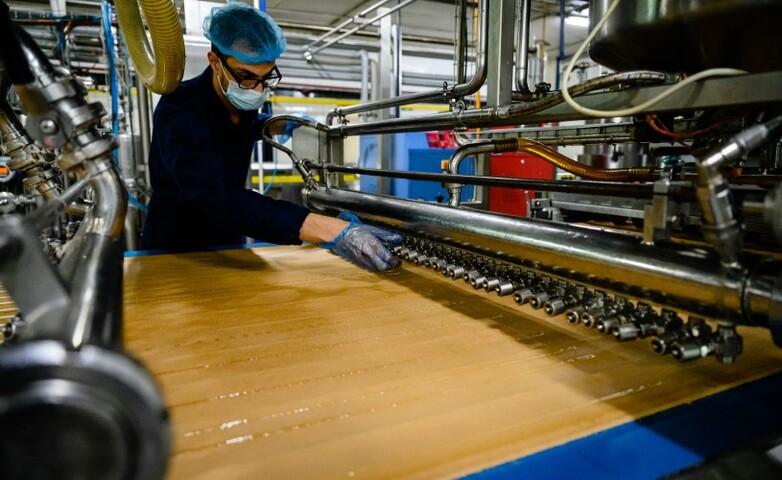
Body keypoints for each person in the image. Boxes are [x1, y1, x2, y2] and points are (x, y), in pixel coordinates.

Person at [141, 2, 400, 271]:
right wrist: (327, 229)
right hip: (176, 248)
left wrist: (275, 125)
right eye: (247, 78)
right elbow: (215, 196)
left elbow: (228, 132)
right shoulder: (180, 109)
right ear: (215, 62)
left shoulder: (239, 103)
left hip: (229, 240)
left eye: (267, 77)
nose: (257, 89)